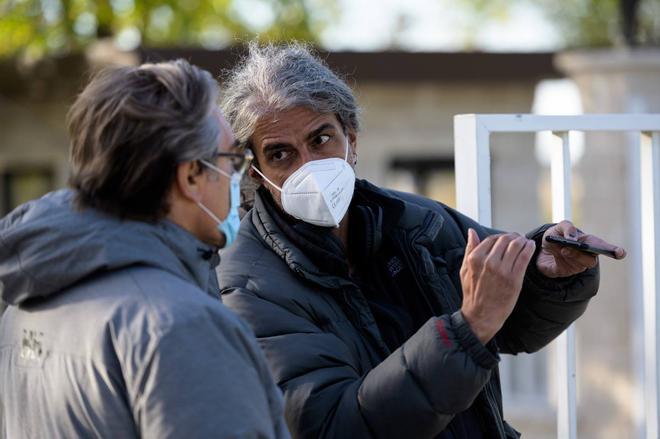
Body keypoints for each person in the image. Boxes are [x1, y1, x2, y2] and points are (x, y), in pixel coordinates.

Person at [216, 43, 627, 439]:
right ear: (256, 173)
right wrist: (467, 328)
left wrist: (545, 273)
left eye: (321, 140)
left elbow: (513, 323)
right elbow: (332, 424)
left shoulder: (415, 222)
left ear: (351, 139)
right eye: (281, 155)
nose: (309, 166)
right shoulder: (250, 287)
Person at [0, 59, 289, 439]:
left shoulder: (24, 303)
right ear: (190, 176)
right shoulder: (182, 327)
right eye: (233, 160)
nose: (239, 178)